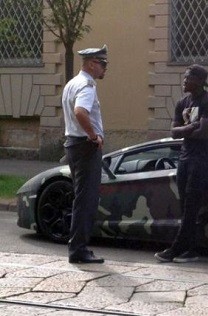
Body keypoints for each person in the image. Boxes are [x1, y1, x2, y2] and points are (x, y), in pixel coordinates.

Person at [155, 64, 208, 263]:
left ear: (199, 81)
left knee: (191, 205)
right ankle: (190, 249)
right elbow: (174, 132)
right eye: (184, 77)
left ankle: (176, 249)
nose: (184, 81)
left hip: (203, 160)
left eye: (188, 78)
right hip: (184, 158)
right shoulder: (182, 102)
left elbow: (205, 134)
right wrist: (192, 126)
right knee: (185, 205)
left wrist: (186, 130)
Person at [61, 45, 108, 264]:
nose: (104, 68)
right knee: (86, 200)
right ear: (91, 64)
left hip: (73, 144)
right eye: (102, 63)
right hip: (84, 146)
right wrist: (92, 136)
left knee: (81, 198)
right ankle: (79, 250)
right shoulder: (87, 86)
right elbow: (80, 111)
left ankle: (77, 247)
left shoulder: (72, 83)